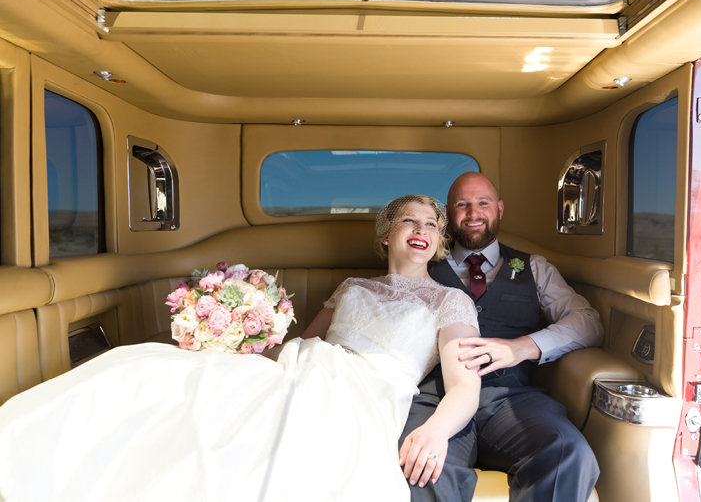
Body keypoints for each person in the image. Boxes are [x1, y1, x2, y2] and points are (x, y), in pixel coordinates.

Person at [0, 194, 481, 502]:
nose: (421, 229)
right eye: (407, 220)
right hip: (306, 364)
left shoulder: (449, 299)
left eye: (432, 225)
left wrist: (437, 430)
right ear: (386, 234)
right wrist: (234, 346)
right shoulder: (353, 285)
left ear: (439, 243)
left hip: (368, 390)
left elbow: (464, 383)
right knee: (153, 370)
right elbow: (306, 341)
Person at [401, 172, 603, 502]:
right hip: (436, 398)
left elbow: (588, 323)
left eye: (483, 203)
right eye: (462, 204)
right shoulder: (420, 266)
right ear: (449, 214)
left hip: (511, 400)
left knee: (568, 451)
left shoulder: (535, 268)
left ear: (500, 209)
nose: (473, 212)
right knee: (420, 466)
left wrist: (522, 348)